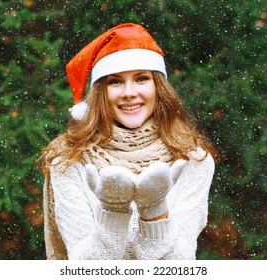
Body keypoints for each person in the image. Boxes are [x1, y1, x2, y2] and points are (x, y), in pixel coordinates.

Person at [41, 23, 216, 260]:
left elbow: (180, 265)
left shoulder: (192, 160)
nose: (129, 92)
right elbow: (83, 267)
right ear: (101, 92)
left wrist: (154, 211)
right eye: (115, 81)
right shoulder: (68, 161)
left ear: (158, 87)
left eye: (141, 78)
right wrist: (113, 209)